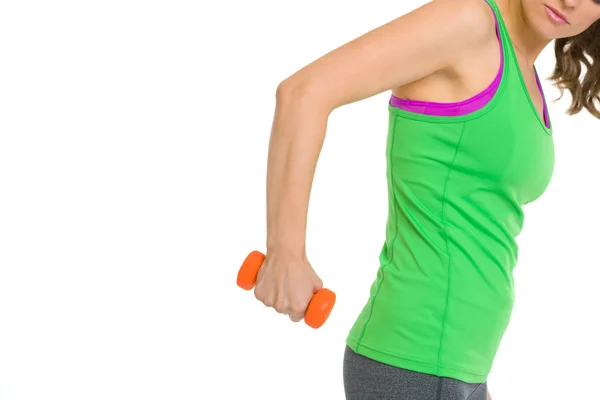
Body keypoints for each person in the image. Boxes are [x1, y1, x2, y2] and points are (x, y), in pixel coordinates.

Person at [251, 0, 600, 398]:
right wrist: (285, 252)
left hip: (461, 369)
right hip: (412, 360)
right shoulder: (468, 21)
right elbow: (303, 93)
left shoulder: (521, 68)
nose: (571, 0)